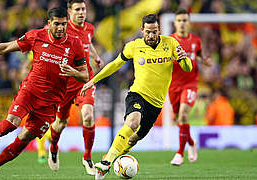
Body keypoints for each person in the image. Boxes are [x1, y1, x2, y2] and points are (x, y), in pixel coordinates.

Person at [0, 7, 89, 180]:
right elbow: (5, 47)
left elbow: (85, 75)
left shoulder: (75, 43)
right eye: (57, 24)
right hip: (30, 91)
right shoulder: (36, 36)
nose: (61, 28)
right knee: (12, 122)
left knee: (25, 138)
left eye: (64, 24)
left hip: (51, 102)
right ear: (49, 24)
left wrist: (73, 72)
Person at [81, 13, 192, 180]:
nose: (151, 35)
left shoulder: (170, 43)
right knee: (132, 122)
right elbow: (115, 64)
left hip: (156, 104)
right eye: (148, 31)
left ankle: (108, 158)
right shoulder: (134, 46)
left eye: (154, 31)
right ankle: (106, 164)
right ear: (142, 30)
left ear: (159, 30)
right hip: (137, 95)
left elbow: (188, 68)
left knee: (133, 140)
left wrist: (184, 59)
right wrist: (93, 80)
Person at [38, 0, 104, 175]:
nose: (81, 12)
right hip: (65, 82)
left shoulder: (89, 28)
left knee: (88, 116)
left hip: (85, 79)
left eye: (83, 9)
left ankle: (88, 158)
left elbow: (87, 43)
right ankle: (53, 147)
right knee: (60, 123)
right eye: (77, 9)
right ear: (69, 11)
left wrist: (96, 57)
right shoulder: (62, 29)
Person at [168, 9, 212, 166]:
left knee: (184, 114)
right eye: (179, 20)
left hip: (191, 83)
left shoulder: (196, 40)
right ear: (174, 23)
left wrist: (203, 60)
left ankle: (179, 153)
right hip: (173, 85)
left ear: (189, 22)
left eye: (185, 20)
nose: (182, 23)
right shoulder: (169, 41)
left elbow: (198, 54)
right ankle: (192, 143)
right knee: (179, 120)